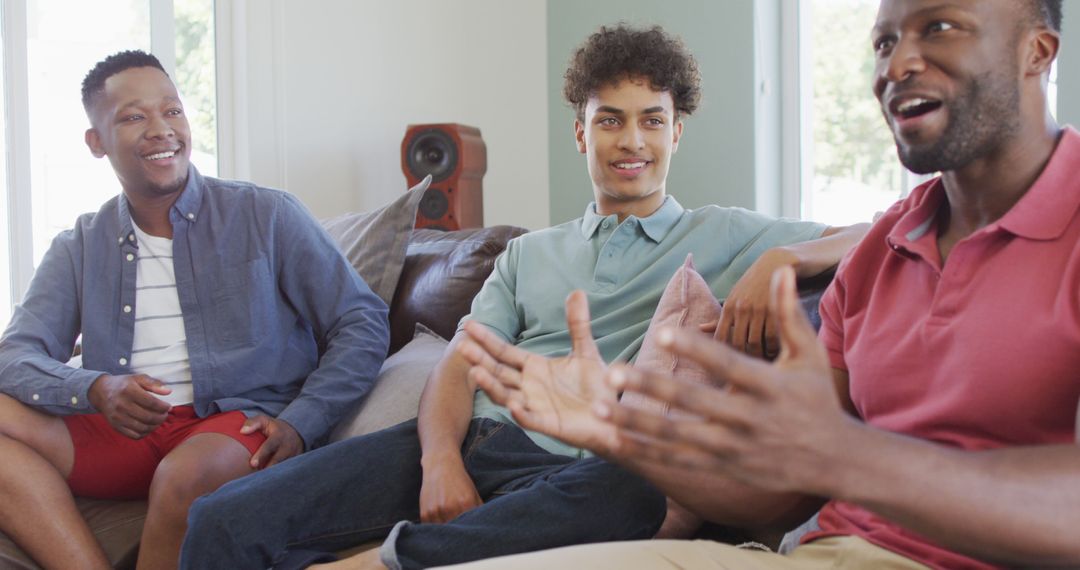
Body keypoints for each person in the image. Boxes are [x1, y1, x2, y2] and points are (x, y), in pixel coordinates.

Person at [180, 25, 866, 570]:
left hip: (588, 472)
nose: (632, 141)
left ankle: (379, 564)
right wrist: (442, 460)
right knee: (221, 520)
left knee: (638, 490)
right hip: (480, 437)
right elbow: (458, 365)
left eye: (652, 121)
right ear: (580, 132)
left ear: (675, 132)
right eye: (610, 121)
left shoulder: (725, 233)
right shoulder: (529, 251)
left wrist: (785, 254)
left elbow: (881, 229)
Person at [458, 0, 1080, 568]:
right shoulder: (881, 250)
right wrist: (617, 437)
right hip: (822, 552)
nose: (900, 64)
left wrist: (847, 455)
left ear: (1039, 51)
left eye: (940, 27)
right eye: (884, 43)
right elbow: (776, 498)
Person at [0, 50, 390, 570]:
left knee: (184, 478)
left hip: (233, 420)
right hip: (123, 424)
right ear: (97, 142)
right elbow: (16, 354)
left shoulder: (266, 214)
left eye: (172, 110)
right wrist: (95, 387)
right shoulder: (81, 243)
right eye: (134, 117)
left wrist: (302, 420)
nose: (161, 129)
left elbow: (359, 321)